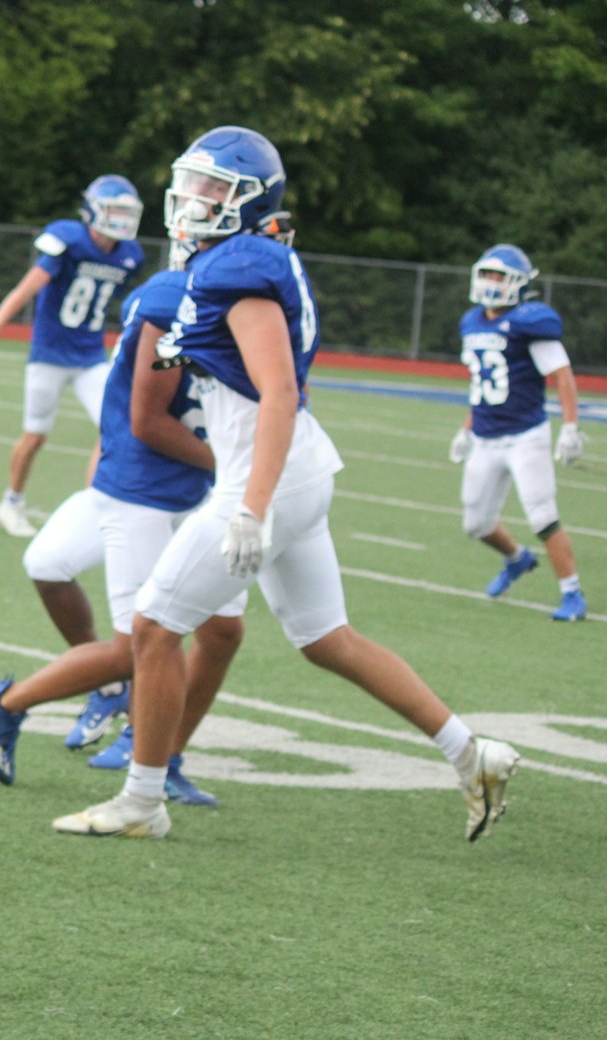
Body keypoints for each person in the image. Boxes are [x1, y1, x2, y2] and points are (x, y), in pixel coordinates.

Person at [56, 126, 520, 843]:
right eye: (192, 181)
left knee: (151, 626)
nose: (193, 196)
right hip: (294, 469)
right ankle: (472, 752)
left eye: (215, 186)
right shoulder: (235, 257)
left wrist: (251, 504)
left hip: (269, 475)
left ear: (249, 199)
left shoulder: (238, 267)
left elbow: (278, 392)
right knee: (326, 637)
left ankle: (142, 800)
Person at [0, 240, 247, 807]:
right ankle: (7, 703)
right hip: (144, 492)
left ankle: (163, 753)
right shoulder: (171, 299)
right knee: (138, 646)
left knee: (221, 630)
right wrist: (243, 464)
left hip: (188, 491)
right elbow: (147, 413)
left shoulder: (238, 302)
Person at [0, 175, 144, 537]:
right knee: (36, 435)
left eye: (127, 212)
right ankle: (11, 501)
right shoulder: (68, 239)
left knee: (115, 427)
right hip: (49, 355)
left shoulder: (130, 255)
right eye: (115, 210)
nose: (121, 219)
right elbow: (28, 287)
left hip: (91, 357)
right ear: (93, 211)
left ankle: (97, 505)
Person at [451, 243, 588, 621]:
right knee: (476, 524)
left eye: (500, 276)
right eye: (487, 274)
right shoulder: (472, 321)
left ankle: (572, 593)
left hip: (526, 435)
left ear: (518, 283)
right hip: (485, 436)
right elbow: (480, 384)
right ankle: (516, 558)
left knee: (543, 516)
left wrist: (571, 427)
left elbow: (562, 376)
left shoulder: (531, 322)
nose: (492, 282)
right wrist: (466, 429)